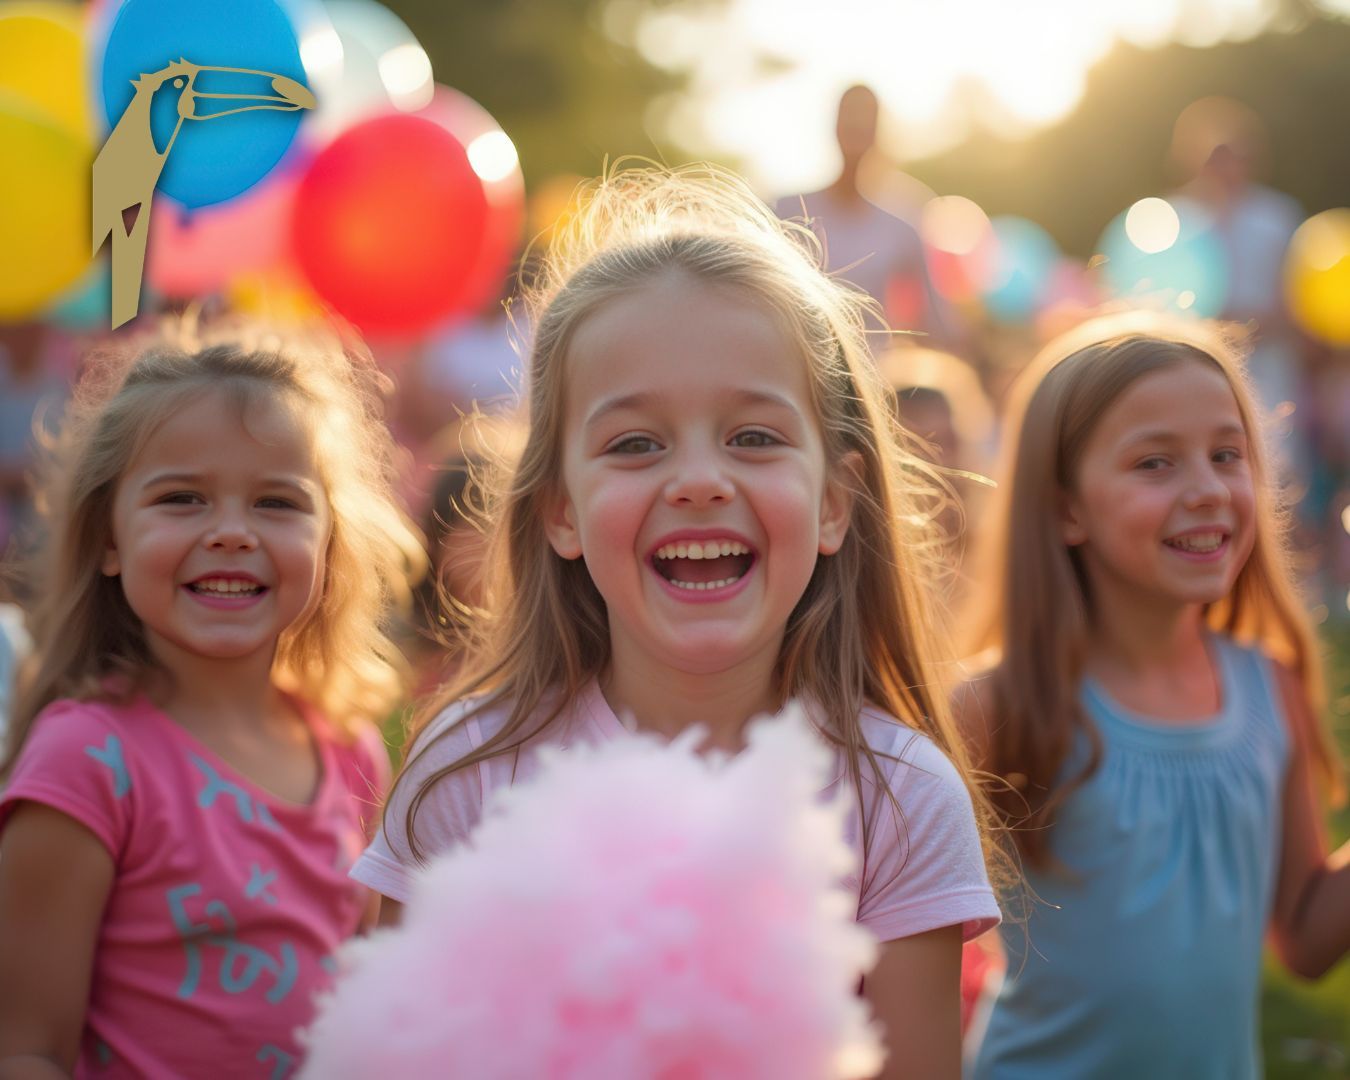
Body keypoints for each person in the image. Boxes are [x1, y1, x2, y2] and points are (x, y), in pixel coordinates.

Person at [352, 164, 1004, 1077]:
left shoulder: (899, 801)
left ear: (833, 503)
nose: (699, 479)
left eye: (754, 436)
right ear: (560, 511)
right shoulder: (469, 771)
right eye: (635, 444)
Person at [0, 321, 424, 1079]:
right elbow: (25, 1049)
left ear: (329, 548)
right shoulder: (87, 763)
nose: (231, 532)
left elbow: (370, 1002)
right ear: (109, 539)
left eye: (276, 503)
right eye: (182, 498)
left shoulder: (348, 749)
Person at [958, 313, 1350, 1078]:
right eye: (1155, 463)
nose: (1207, 489)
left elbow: (1305, 941)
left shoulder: (1270, 684)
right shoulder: (996, 706)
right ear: (1065, 506)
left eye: (1226, 454)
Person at [775, 85, 951, 350]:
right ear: (834, 126)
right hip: (801, 364)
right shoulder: (788, 212)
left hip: (873, 374)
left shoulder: (901, 223)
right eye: (849, 116)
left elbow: (934, 321)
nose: (856, 126)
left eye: (866, 118)